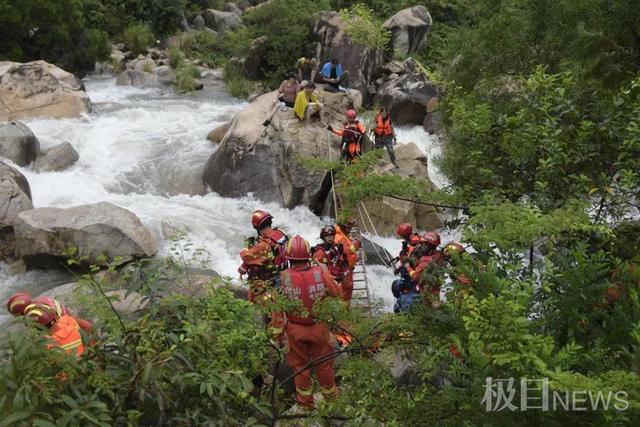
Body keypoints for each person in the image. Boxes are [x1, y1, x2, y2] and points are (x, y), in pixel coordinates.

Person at [278, 235, 342, 411]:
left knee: (300, 367)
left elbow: (277, 309)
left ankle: (305, 407)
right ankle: (332, 403)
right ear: (309, 255)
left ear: (289, 258)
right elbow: (337, 292)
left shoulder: (283, 278)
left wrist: (277, 334)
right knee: (324, 365)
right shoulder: (320, 273)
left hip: (295, 330)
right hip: (319, 328)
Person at [238, 210, 289, 304]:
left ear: (258, 228)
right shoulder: (280, 234)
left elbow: (246, 256)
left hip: (269, 284)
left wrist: (245, 249)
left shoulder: (264, 245)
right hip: (284, 278)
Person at [7, 293, 93, 333]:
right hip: (71, 319)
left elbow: (47, 331)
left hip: (64, 329)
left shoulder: (32, 314)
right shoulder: (42, 300)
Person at [404, 231, 444, 306]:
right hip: (435, 292)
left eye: (423, 244)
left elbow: (415, 276)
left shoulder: (425, 262)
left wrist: (407, 266)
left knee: (404, 301)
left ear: (428, 245)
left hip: (426, 295)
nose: (421, 246)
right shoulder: (438, 256)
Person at [333, 218, 360, 301]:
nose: (350, 229)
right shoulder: (340, 238)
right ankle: (344, 312)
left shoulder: (344, 235)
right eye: (348, 227)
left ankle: (345, 310)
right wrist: (357, 244)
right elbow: (347, 252)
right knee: (344, 295)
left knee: (346, 294)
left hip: (347, 268)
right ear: (342, 226)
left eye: (350, 227)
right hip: (344, 269)